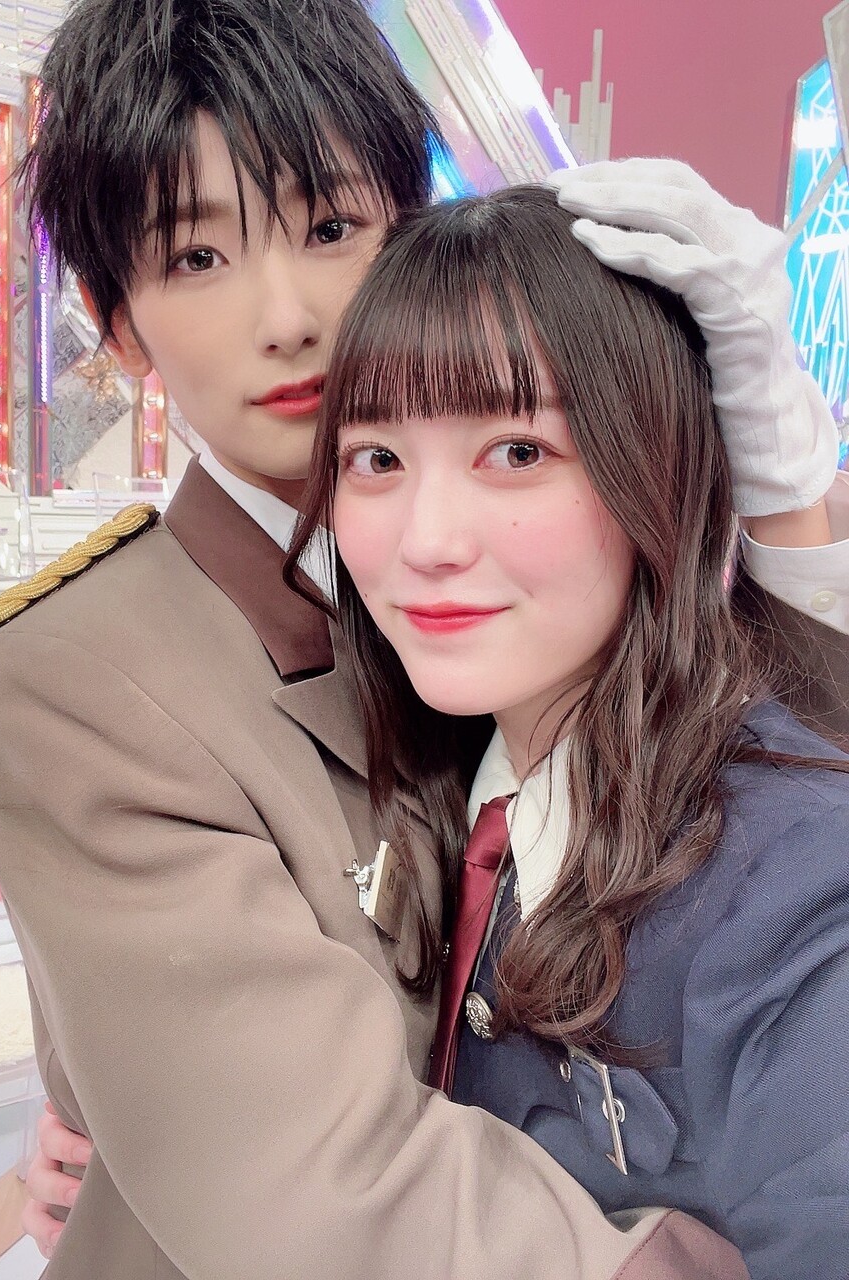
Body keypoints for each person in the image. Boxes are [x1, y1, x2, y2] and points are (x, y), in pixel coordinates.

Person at [0, 0, 847, 1273]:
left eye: (330, 227)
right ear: (119, 319)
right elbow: (319, 1183)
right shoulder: (80, 680)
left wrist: (784, 495)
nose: (288, 315)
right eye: (197, 256)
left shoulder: (520, 588)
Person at [287, 180, 849, 1280]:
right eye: (377, 459)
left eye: (517, 450)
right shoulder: (437, 781)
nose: (428, 541)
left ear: (658, 470)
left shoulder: (791, 889)